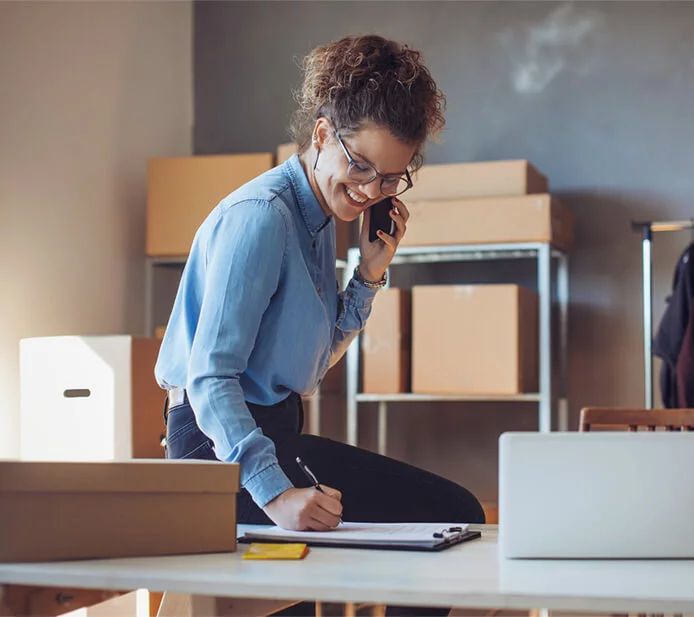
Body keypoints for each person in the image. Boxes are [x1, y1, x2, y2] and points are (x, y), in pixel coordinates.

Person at [155, 34, 485, 539]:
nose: (372, 190)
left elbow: (312, 362)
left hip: (272, 435)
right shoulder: (262, 218)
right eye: (361, 166)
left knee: (444, 516)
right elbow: (209, 378)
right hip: (217, 447)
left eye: (393, 178)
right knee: (449, 511)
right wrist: (276, 494)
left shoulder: (321, 218)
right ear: (323, 133)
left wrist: (369, 275)